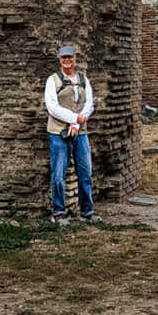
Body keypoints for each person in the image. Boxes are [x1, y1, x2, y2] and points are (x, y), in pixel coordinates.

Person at [45, 44, 100, 225]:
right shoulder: (53, 80)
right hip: (58, 133)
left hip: (80, 133)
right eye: (63, 58)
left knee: (85, 173)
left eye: (70, 57)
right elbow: (53, 107)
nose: (67, 61)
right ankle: (59, 212)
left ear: (75, 59)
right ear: (60, 60)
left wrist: (76, 124)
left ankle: (87, 211)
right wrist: (74, 119)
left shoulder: (83, 79)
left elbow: (89, 104)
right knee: (59, 174)